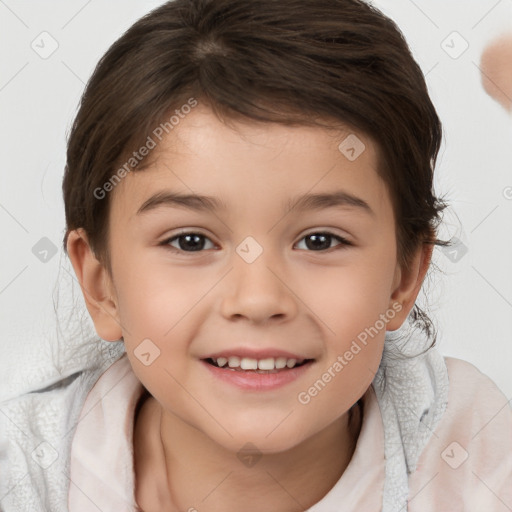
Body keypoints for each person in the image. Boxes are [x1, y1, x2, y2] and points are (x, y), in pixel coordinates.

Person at [1, 1, 511, 511]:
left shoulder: (471, 456)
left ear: (403, 278)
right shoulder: (23, 472)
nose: (258, 299)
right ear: (101, 285)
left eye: (320, 240)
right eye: (190, 241)